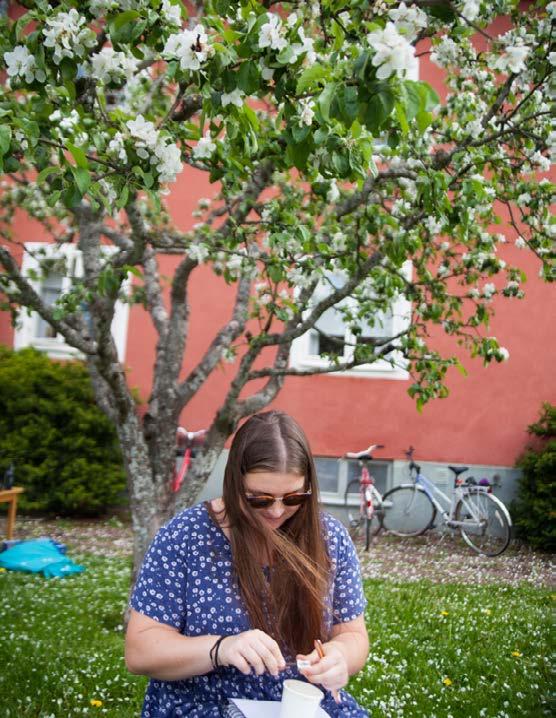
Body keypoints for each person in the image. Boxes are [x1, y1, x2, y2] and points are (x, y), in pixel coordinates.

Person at [126, 411, 370, 717]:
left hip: (302, 706)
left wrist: (340, 657)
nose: (277, 512)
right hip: (204, 704)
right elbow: (140, 652)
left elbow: (354, 636)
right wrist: (220, 649)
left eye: (294, 497)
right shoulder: (184, 537)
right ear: (233, 482)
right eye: (260, 499)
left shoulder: (329, 538)